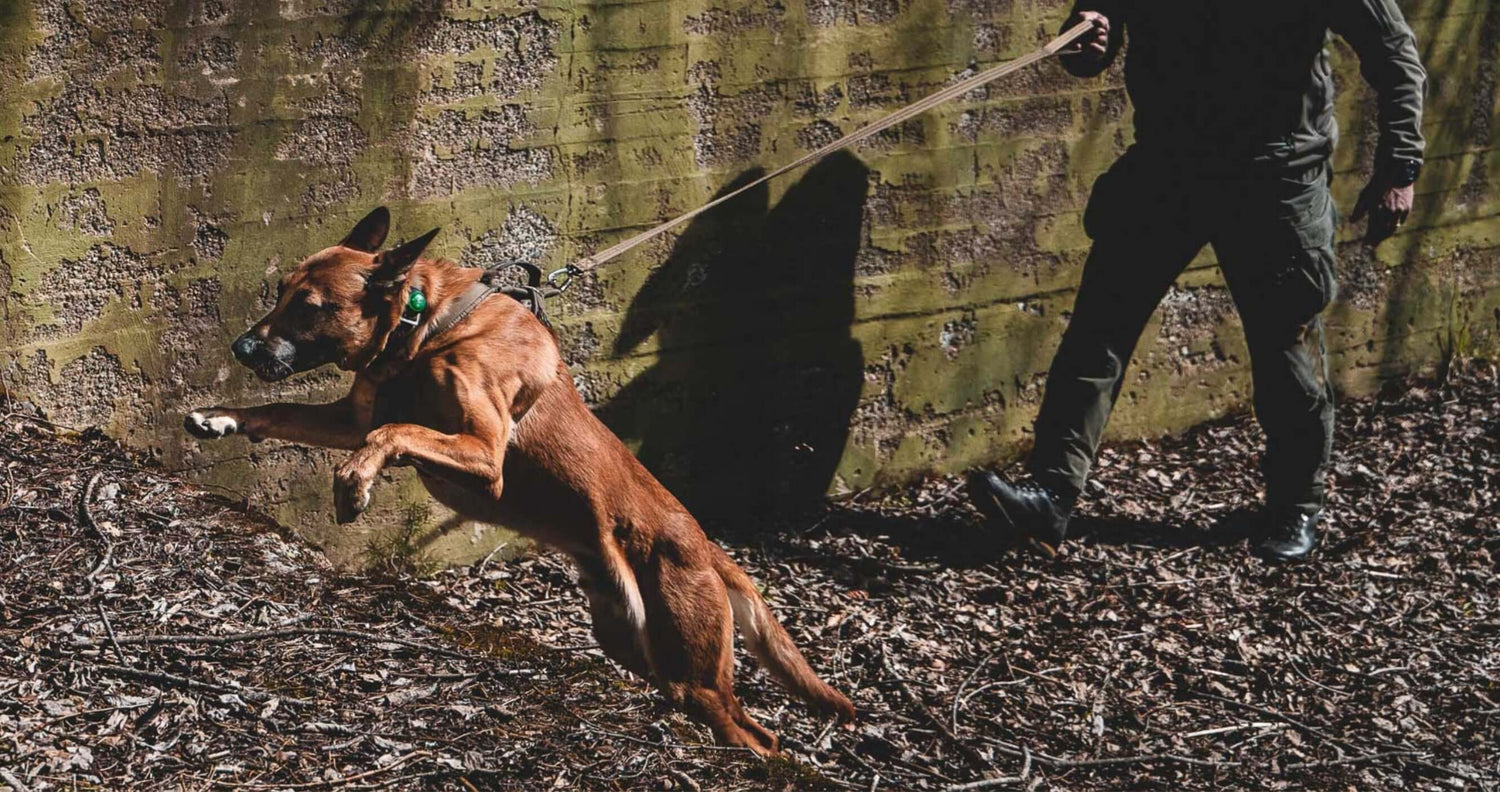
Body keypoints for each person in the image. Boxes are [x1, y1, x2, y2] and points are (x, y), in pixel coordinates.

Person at [968, 1, 1426, 562]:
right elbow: (1094, 37)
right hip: (1166, 169)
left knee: (1285, 349)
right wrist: (1088, 41)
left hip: (1275, 179)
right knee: (1098, 328)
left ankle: (1295, 505)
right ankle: (1051, 494)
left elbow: (1393, 52)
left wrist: (1400, 167)